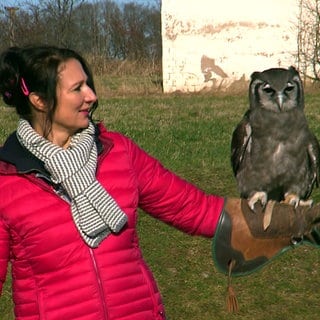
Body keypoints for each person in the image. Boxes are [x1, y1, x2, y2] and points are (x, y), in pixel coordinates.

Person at [0, 45, 319, 320]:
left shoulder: (118, 153)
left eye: (89, 84)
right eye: (77, 88)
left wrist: (293, 221)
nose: (92, 96)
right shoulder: (7, 180)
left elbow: (194, 209)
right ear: (40, 101)